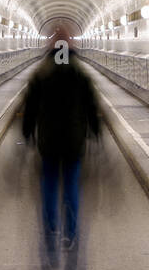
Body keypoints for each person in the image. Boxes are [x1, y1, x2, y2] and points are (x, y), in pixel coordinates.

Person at [22, 47, 102, 249]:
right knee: (71, 186)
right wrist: (95, 131)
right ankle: (71, 233)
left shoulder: (41, 75)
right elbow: (91, 106)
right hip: (73, 142)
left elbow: (30, 107)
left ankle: (51, 227)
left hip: (48, 142)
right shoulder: (81, 75)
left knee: (49, 184)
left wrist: (27, 132)